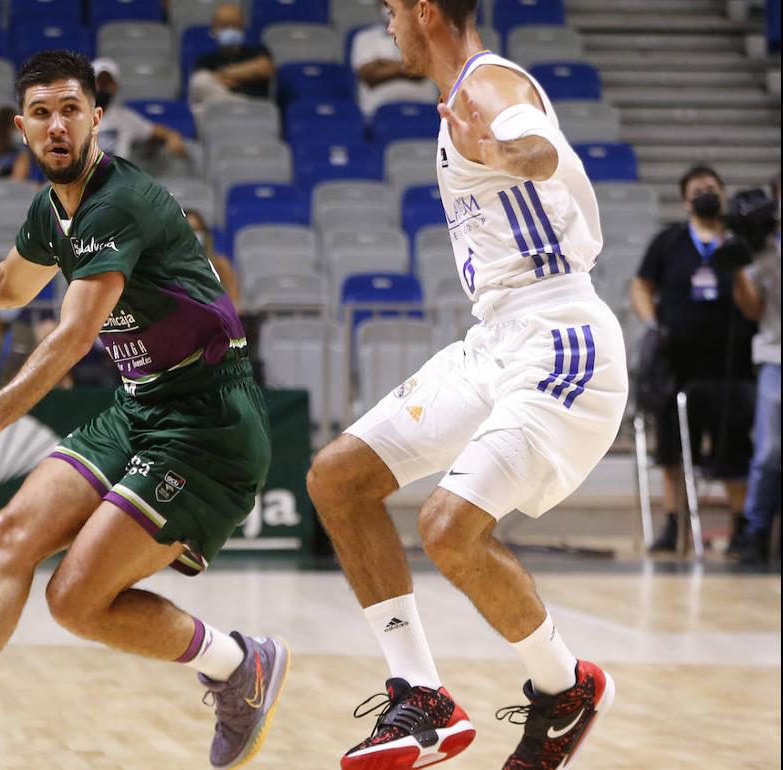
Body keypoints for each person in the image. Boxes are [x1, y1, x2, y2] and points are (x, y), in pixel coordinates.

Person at [0, 50, 287, 770]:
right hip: (140, 406)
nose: (57, 124)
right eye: (41, 113)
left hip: (209, 424)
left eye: (70, 109)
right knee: (8, 532)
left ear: (97, 117)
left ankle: (238, 665)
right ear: (20, 128)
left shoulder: (117, 202)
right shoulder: (50, 211)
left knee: (74, 600)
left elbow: (71, 338)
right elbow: (6, 284)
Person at [306, 3, 625, 768]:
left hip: (561, 340)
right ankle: (422, 698)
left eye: (390, 9)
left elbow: (536, 145)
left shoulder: (489, 86)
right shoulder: (462, 94)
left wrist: (516, 152)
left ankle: (566, 686)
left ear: (424, 10)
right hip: (497, 338)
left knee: (448, 528)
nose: (386, 24)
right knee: (336, 480)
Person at [632, 165, 756, 552]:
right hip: (676, 364)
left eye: (712, 188)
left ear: (722, 194)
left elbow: (753, 306)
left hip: (729, 364)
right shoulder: (668, 242)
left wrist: (735, 270)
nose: (706, 194)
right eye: (698, 189)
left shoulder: (740, 243)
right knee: (672, 451)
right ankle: (673, 526)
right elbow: (641, 285)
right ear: (686, 200)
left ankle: (740, 527)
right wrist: (653, 322)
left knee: (733, 448)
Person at [730, 176, 781, 563]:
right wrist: (735, 270)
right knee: (768, 453)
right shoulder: (762, 249)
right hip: (775, 357)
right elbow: (752, 310)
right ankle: (756, 530)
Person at [91, 58, 187, 161]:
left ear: (115, 87)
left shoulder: (125, 118)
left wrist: (172, 137)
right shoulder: (75, 116)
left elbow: (156, 131)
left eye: (107, 83)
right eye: (99, 82)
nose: (102, 88)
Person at [188, 3, 274, 116]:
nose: (230, 30)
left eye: (234, 26)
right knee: (200, 80)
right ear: (214, 29)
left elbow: (264, 69)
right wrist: (246, 74)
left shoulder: (257, 51)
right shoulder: (206, 59)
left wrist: (221, 74)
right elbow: (200, 84)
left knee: (201, 106)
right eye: (224, 26)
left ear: (242, 27)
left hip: (252, 107)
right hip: (216, 110)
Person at [350, 20, 439, 118]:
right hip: (375, 116)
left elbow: (422, 70)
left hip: (428, 114)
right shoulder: (364, 37)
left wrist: (382, 64)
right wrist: (405, 68)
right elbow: (369, 74)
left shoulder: (429, 33)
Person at [184, 208, 240, 307]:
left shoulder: (220, 264)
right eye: (188, 230)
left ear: (205, 234)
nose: (193, 235)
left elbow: (235, 303)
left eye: (196, 230)